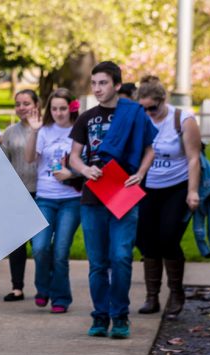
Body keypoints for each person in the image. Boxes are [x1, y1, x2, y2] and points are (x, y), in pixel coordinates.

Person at [69, 61, 157, 339]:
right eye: (94, 83)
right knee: (98, 263)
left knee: (120, 258)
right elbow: (73, 156)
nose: (97, 88)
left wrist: (141, 174)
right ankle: (100, 315)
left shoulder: (134, 113)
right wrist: (84, 169)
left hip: (123, 193)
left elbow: (149, 150)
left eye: (103, 83)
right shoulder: (86, 117)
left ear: (117, 85)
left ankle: (120, 315)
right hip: (93, 196)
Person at [135, 75, 201, 318]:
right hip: (147, 187)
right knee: (145, 240)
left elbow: (194, 157)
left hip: (177, 186)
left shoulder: (182, 119)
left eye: (152, 107)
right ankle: (152, 296)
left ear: (163, 101)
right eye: (143, 109)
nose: (149, 113)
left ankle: (176, 292)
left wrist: (192, 191)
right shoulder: (141, 120)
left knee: (168, 237)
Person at [24, 88, 83, 313]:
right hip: (45, 198)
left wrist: (72, 174)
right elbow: (30, 158)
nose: (59, 113)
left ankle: (60, 297)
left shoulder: (79, 130)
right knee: (39, 248)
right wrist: (34, 131)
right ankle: (43, 289)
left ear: (71, 108)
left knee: (60, 252)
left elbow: (85, 164)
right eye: (55, 108)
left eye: (63, 108)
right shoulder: (44, 131)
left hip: (71, 200)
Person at [0, 89, 40, 300]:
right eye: (18, 104)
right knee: (17, 243)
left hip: (42, 193)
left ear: (36, 105)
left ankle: (43, 287)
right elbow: (3, 162)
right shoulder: (10, 132)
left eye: (26, 103)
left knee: (40, 245)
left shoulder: (44, 129)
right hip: (18, 193)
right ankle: (17, 287)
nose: (22, 107)